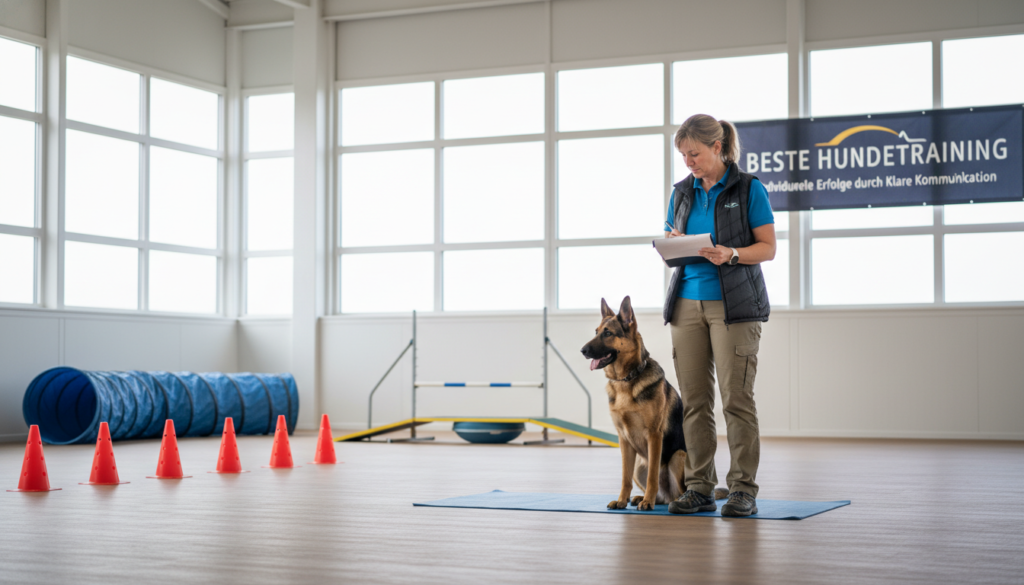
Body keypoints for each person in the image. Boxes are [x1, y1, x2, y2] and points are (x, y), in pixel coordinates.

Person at [663, 114, 776, 517]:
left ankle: (743, 489)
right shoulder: (681, 193)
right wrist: (673, 242)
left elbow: (767, 247)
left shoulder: (749, 189)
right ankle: (699, 487)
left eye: (694, 153)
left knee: (737, 400)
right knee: (693, 402)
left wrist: (732, 253)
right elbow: (671, 237)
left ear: (717, 147)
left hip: (735, 307)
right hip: (685, 305)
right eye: (683, 155)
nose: (688, 161)